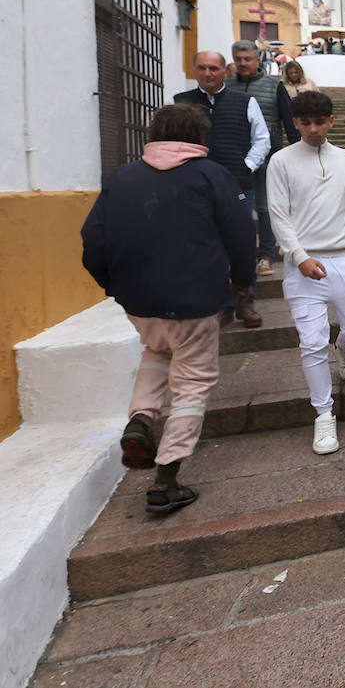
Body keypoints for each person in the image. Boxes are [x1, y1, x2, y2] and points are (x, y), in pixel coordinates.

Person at [81, 104, 256, 514]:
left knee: (156, 353)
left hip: (140, 302)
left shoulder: (122, 178)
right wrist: (243, 281)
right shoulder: (211, 175)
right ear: (200, 137)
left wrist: (113, 284)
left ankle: (141, 420)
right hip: (195, 301)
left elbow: (93, 240)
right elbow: (242, 232)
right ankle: (167, 477)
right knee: (193, 381)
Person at [267, 90, 345, 455]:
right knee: (311, 342)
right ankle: (324, 414)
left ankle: (344, 349)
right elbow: (279, 215)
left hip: (344, 258)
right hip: (302, 266)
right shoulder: (281, 162)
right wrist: (298, 257)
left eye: (319, 122)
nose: (313, 129)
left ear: (331, 121)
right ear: (295, 124)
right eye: (305, 123)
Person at [173, 51, 270, 327]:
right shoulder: (180, 103)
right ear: (194, 70)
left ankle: (246, 304)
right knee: (208, 246)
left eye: (213, 68)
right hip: (195, 188)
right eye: (202, 68)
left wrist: (246, 166)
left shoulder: (245, 101)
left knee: (242, 244)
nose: (208, 73)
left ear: (223, 71)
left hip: (238, 185)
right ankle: (222, 305)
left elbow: (261, 139)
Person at [226, 40, 300, 279]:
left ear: (258, 59)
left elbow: (289, 120)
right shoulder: (226, 87)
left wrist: (298, 150)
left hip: (269, 158)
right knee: (236, 209)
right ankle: (240, 255)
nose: (243, 63)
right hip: (235, 159)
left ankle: (266, 255)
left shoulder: (273, 85)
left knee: (265, 208)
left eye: (247, 59)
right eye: (238, 59)